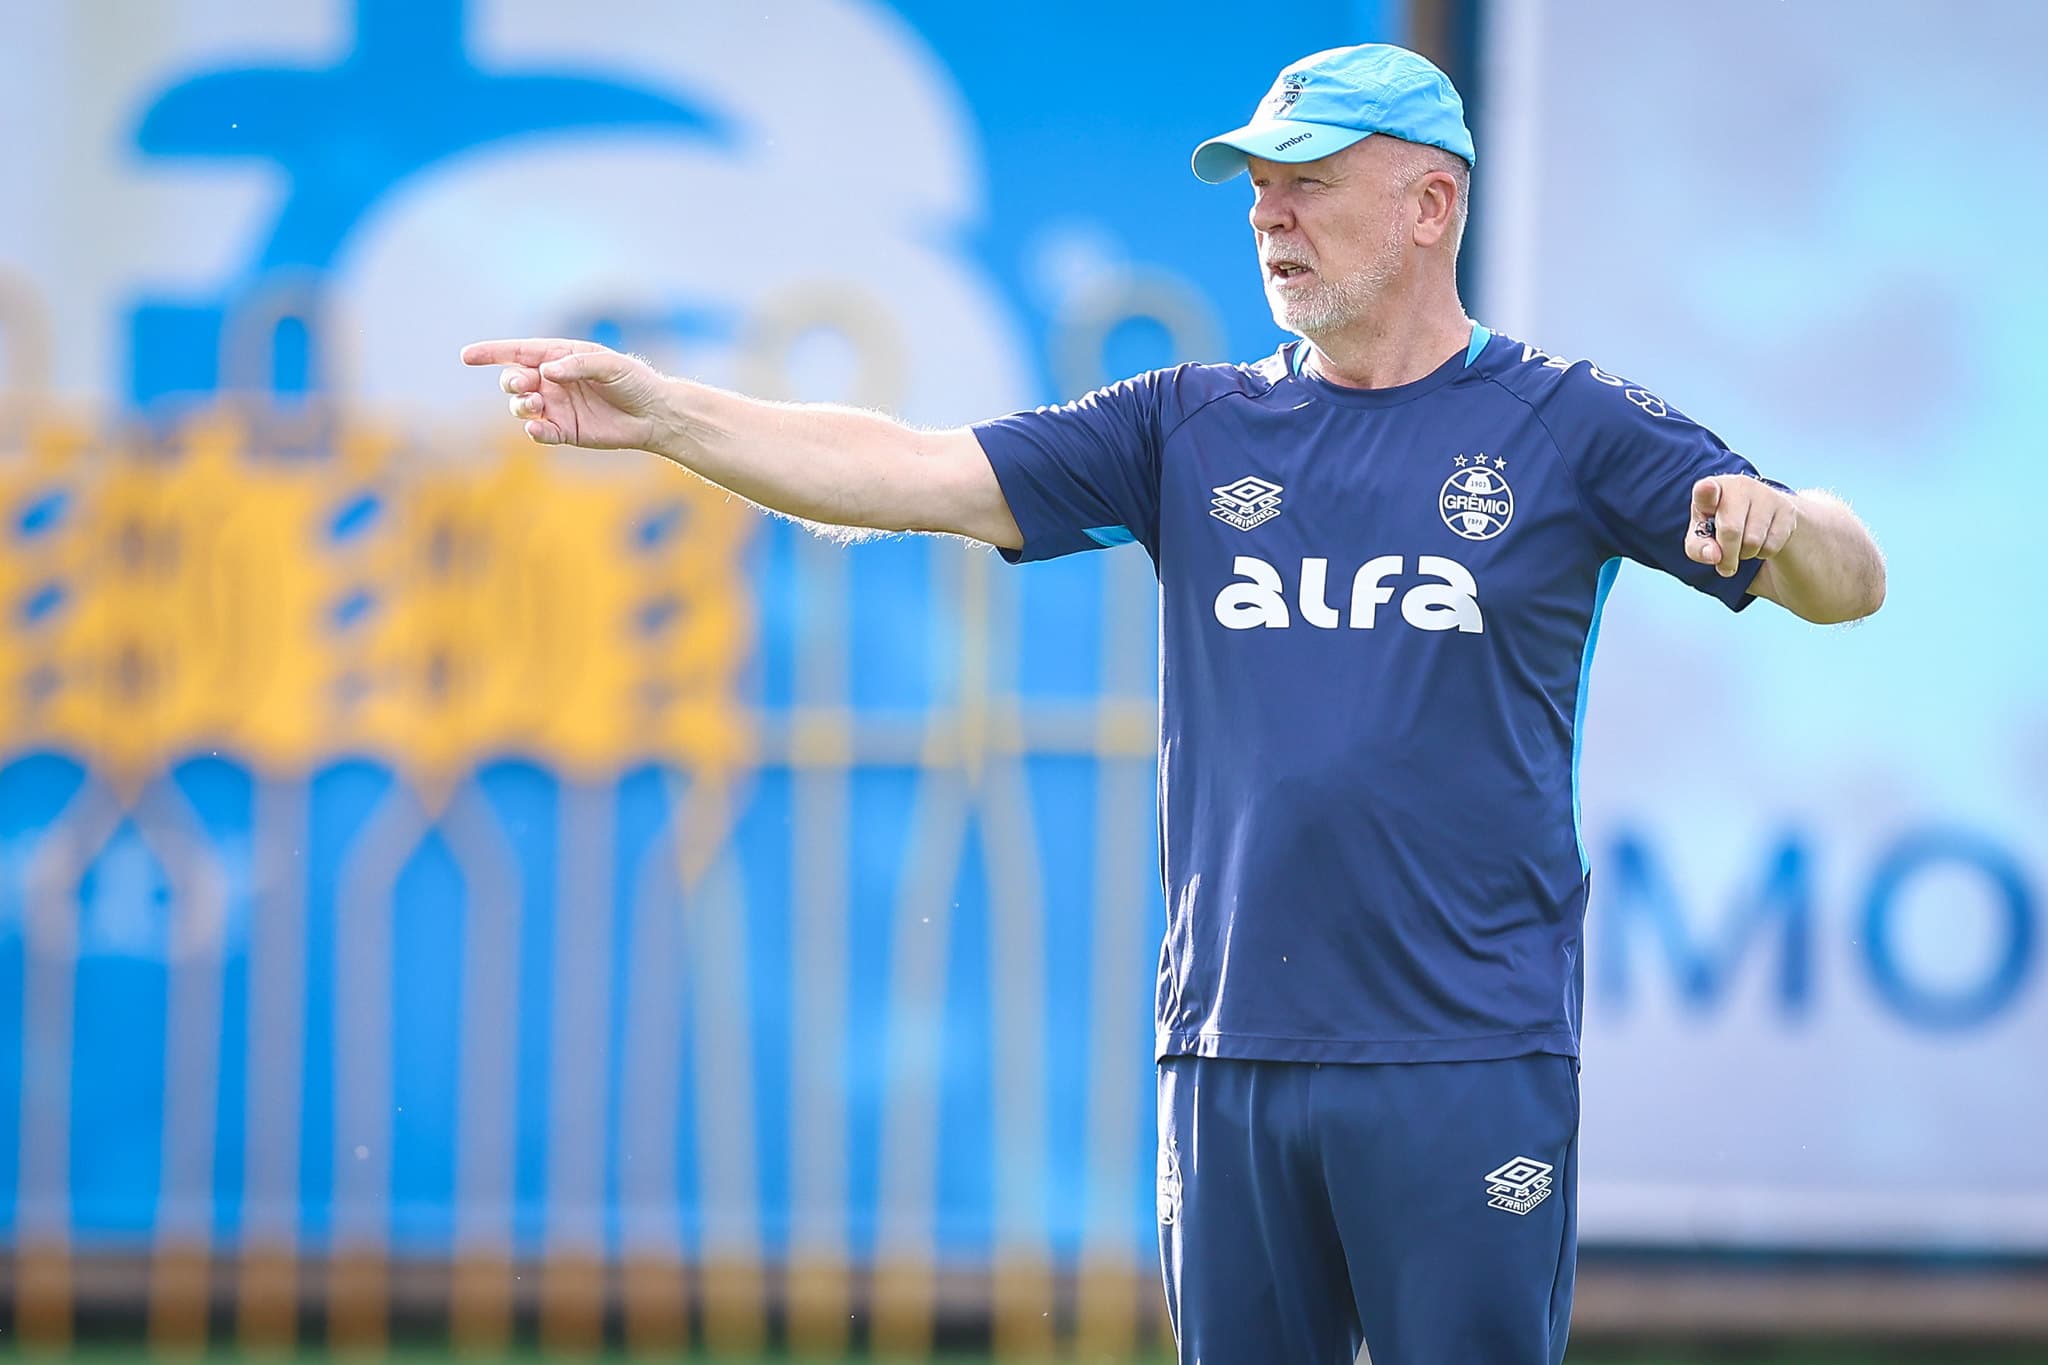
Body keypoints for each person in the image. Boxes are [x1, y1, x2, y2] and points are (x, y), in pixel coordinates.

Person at [464, 42, 1884, 1365]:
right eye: (1261, 190)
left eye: (1312, 184)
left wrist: (1791, 524)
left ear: (1431, 203)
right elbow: (906, 467)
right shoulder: (1187, 423)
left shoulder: (1564, 423)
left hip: (1465, 1055)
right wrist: (665, 415)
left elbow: (1847, 577)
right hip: (1226, 1057)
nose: (1274, 217)